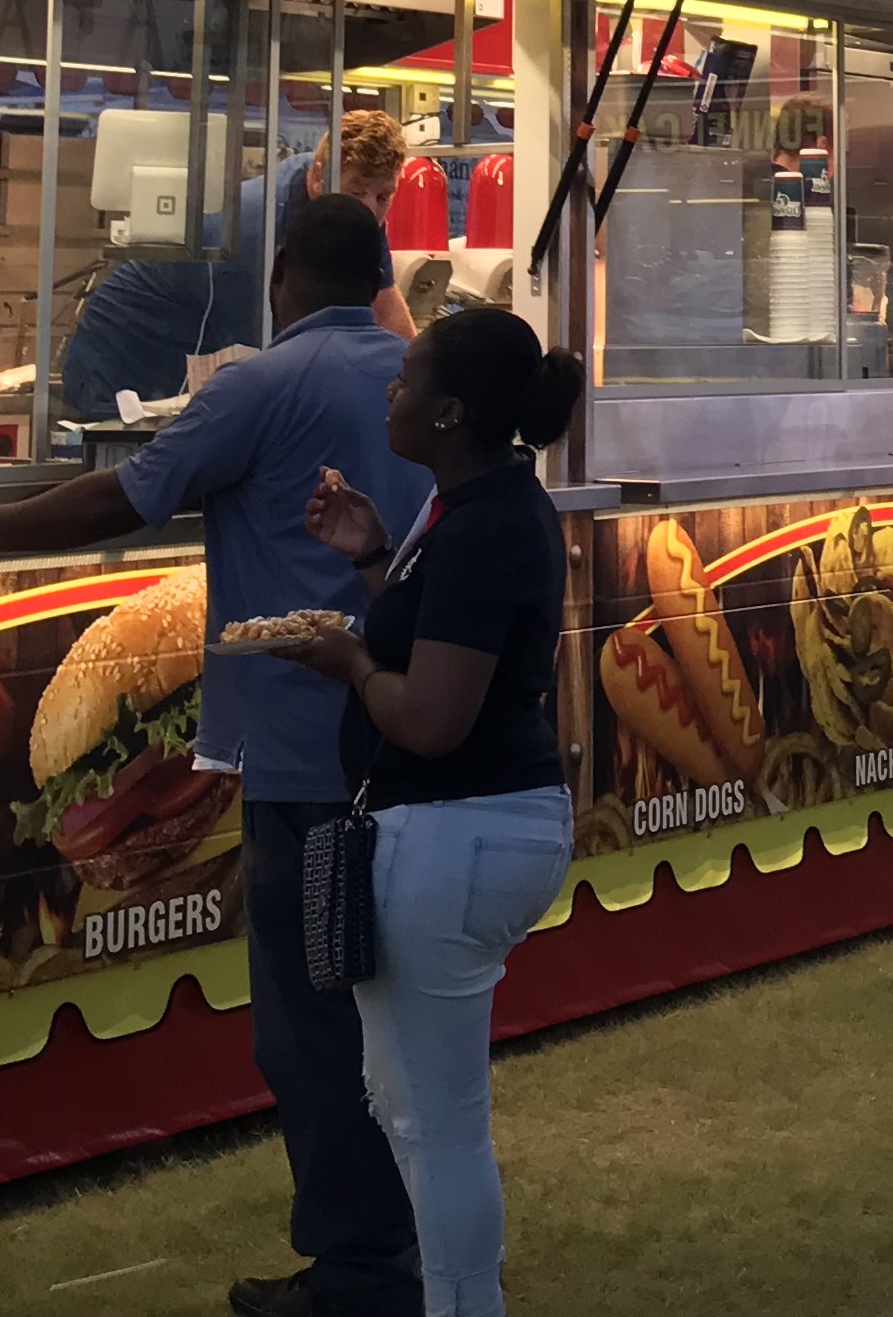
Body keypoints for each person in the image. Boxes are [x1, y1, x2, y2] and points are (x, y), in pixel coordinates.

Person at [0, 197, 432, 1317]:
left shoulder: (262, 384)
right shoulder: (424, 380)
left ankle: (365, 1273)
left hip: (303, 760)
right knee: (392, 1019)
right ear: (379, 271)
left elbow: (120, 497)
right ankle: (417, 1248)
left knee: (312, 1030)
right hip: (411, 746)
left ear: (279, 272)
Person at [275, 307, 584, 1317]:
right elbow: (437, 653)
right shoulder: (464, 506)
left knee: (435, 1120)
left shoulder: (488, 523)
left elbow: (432, 718)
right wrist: (373, 560)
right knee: (411, 1105)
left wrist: (349, 660)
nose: (389, 395)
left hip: (456, 830)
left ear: (449, 411)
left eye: (406, 381)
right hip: (466, 829)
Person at [66, 107, 416, 417]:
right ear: (318, 177)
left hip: (185, 360)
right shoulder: (255, 227)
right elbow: (279, 356)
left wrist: (423, 386)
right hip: (120, 356)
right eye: (357, 193)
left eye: (385, 196)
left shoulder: (356, 215)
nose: (370, 208)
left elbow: (386, 311)